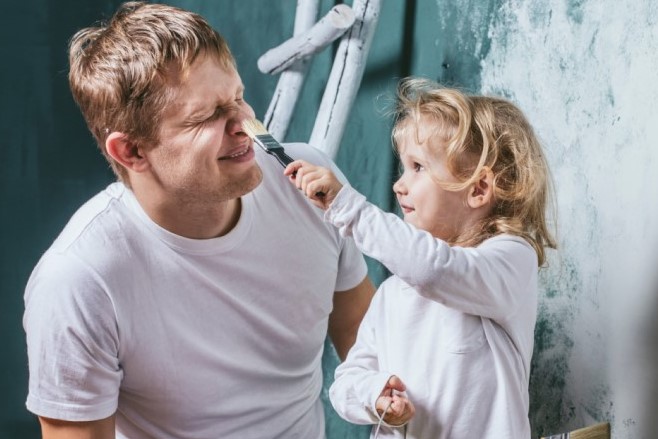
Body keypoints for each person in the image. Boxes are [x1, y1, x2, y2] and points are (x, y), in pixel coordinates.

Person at [23, 2, 375, 438]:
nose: (245, 125)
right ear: (131, 151)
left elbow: (367, 338)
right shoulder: (79, 278)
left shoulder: (309, 185)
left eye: (238, 98)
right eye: (208, 116)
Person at [284, 77, 557, 438]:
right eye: (402, 167)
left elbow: (435, 269)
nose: (400, 184)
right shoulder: (393, 294)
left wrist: (348, 208)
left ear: (478, 188)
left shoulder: (509, 261)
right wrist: (375, 395)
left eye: (418, 167)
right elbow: (344, 384)